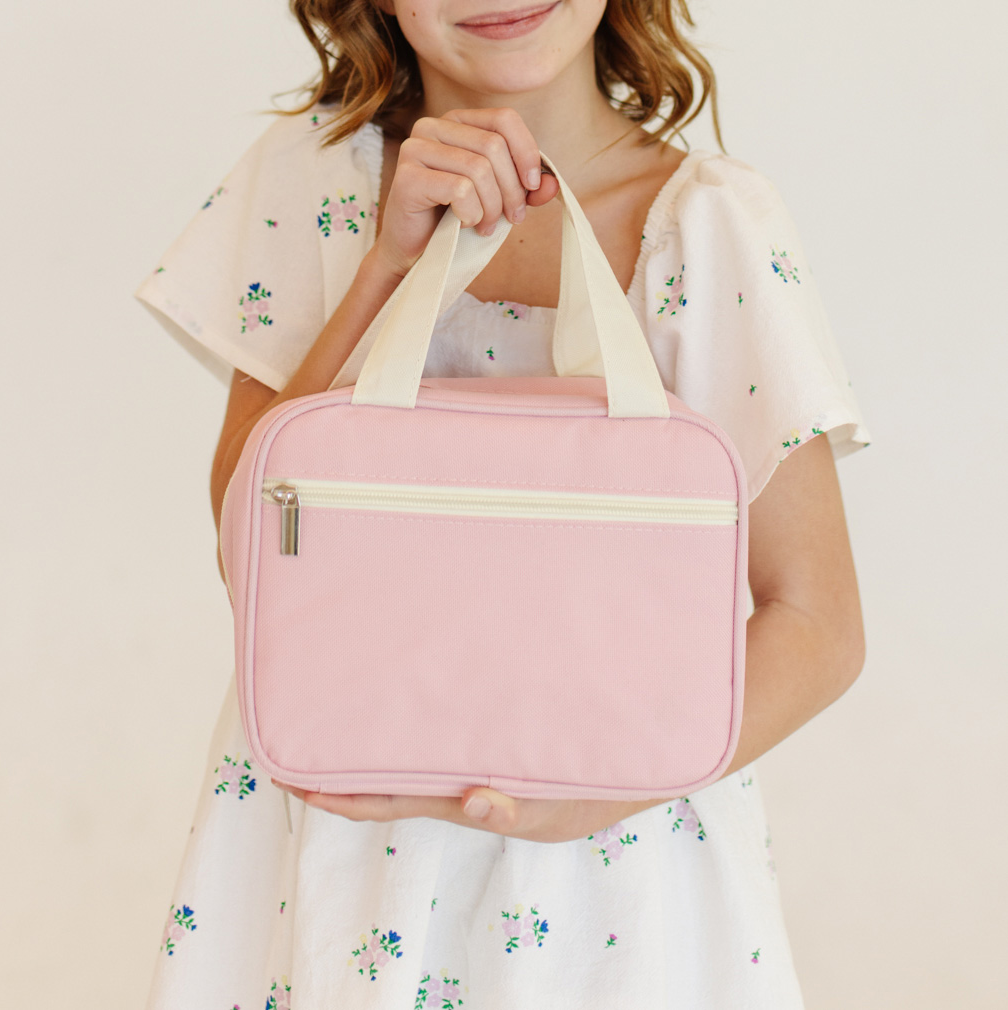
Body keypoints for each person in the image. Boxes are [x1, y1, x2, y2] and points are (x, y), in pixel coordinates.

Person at [134, 0, 873, 1004]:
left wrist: (594, 798)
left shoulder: (705, 224)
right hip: (347, 842)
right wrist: (387, 263)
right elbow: (247, 559)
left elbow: (818, 621)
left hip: (616, 860)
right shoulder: (315, 181)